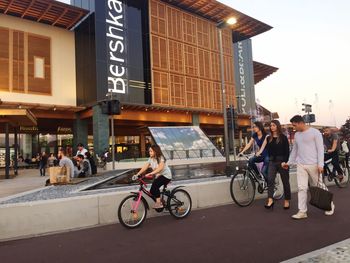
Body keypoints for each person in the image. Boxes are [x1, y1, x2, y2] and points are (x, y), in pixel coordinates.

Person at [282, 115, 335, 219]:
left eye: (295, 125)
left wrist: (320, 165)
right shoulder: (297, 135)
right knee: (302, 188)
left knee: (320, 186)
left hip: (314, 165)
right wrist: (289, 163)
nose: (294, 127)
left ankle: (330, 205)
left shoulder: (315, 133)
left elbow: (320, 150)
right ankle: (302, 211)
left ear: (301, 123)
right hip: (301, 164)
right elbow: (294, 151)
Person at [258, 120, 291, 210]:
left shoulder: (283, 138)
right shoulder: (269, 138)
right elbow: (263, 148)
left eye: (273, 125)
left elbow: (287, 152)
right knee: (270, 180)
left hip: (282, 162)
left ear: (277, 126)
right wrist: (259, 153)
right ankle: (270, 200)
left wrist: (285, 162)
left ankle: (287, 200)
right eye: (271, 125)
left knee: (285, 182)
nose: (272, 127)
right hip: (272, 162)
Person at [135, 145, 172, 209]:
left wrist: (150, 173)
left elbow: (160, 168)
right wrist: (137, 174)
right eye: (149, 151)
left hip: (166, 176)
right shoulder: (150, 159)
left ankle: (159, 203)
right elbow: (145, 167)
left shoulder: (161, 158)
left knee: (155, 185)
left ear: (155, 151)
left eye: (151, 151)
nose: (149, 152)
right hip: (159, 176)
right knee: (152, 191)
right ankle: (160, 201)